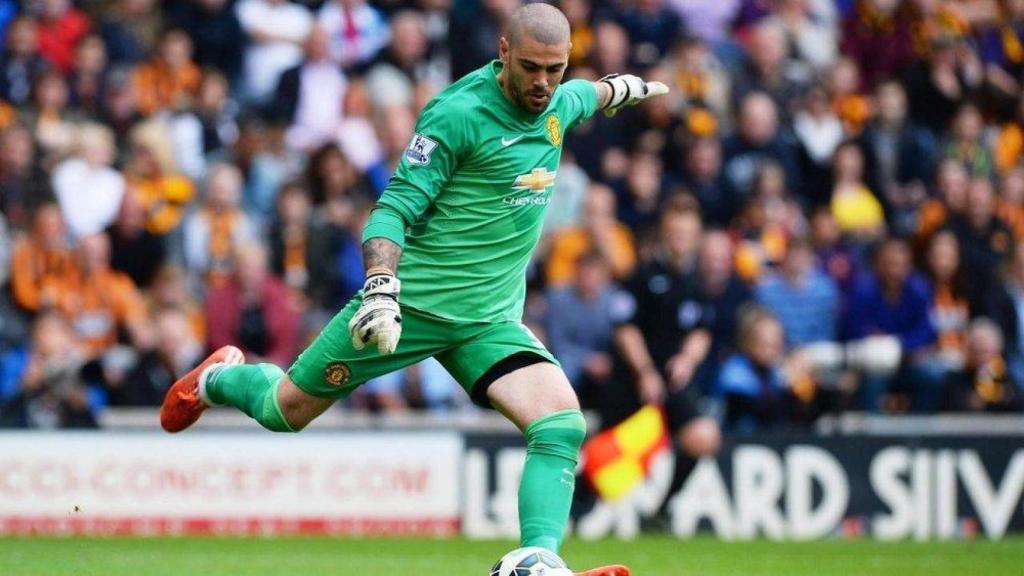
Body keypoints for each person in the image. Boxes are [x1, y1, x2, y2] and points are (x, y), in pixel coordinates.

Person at [160, 5, 668, 575]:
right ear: (503, 52)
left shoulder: (558, 102)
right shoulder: (458, 113)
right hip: (409, 308)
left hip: (488, 322)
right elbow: (393, 208)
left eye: (556, 69)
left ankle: (539, 560)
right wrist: (381, 287)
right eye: (530, 68)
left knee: (561, 423)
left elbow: (584, 96)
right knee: (285, 410)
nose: (543, 83)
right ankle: (216, 380)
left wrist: (620, 89)